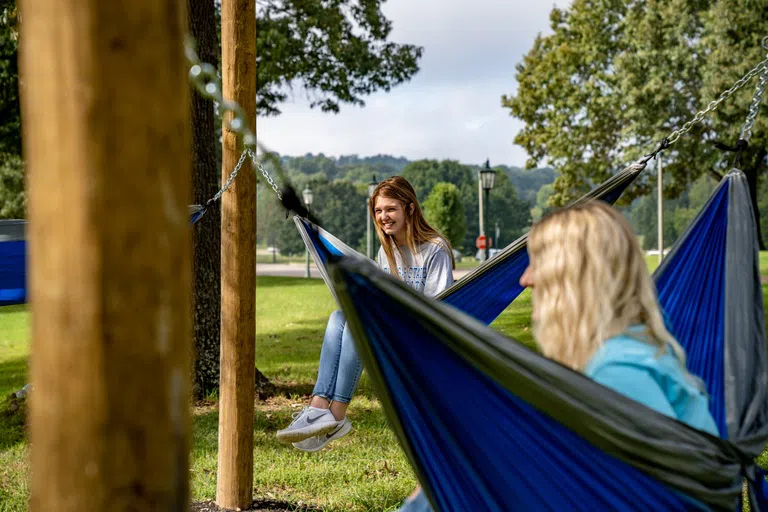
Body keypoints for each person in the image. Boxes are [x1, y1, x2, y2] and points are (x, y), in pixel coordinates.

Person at [398, 200, 718, 511]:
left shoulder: (617, 370)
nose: (526, 279)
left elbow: (659, 494)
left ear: (573, 275)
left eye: (537, 261)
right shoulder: (621, 349)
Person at [276, 176, 455, 452]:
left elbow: (440, 307)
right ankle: (319, 406)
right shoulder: (389, 251)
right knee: (340, 317)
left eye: (390, 209)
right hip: (390, 326)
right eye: (379, 210)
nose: (384, 216)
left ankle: (336, 416)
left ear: (409, 208)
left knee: (359, 324)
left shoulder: (435, 249)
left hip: (418, 336)